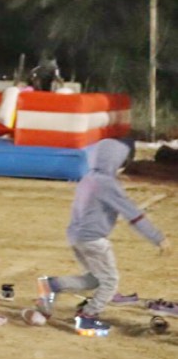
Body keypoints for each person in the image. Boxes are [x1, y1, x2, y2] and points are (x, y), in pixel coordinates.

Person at [35, 139, 172, 336]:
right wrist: (157, 237)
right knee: (110, 282)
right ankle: (87, 317)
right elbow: (132, 213)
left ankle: (52, 285)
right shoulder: (107, 184)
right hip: (93, 239)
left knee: (94, 280)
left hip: (76, 236)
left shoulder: (88, 178)